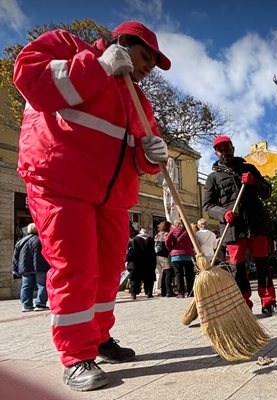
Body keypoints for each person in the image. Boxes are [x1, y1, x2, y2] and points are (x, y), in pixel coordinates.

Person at [13, 21, 171, 391]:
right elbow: (32, 80)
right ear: (123, 42)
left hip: (112, 197)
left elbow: (141, 154)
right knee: (76, 267)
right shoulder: (66, 46)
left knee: (107, 271)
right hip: (60, 182)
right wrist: (98, 66)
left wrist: (151, 155)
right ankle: (75, 356)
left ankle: (99, 339)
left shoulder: (138, 99)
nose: (148, 67)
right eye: (145, 56)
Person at [203, 135, 277, 317]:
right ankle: (244, 307)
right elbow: (208, 206)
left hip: (257, 225)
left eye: (227, 147)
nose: (224, 151)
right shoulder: (213, 178)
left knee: (263, 265)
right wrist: (223, 213)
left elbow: (267, 192)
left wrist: (254, 182)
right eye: (220, 149)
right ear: (216, 153)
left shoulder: (249, 168)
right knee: (238, 270)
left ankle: (269, 303)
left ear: (233, 148)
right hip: (233, 230)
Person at [12, 223, 51, 312]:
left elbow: (15, 257)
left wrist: (15, 269)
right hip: (41, 266)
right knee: (42, 285)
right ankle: (40, 304)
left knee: (26, 286)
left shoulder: (21, 241)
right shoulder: (42, 240)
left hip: (25, 267)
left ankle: (26, 305)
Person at [165, 219, 195, 298]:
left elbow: (167, 240)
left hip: (176, 256)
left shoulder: (173, 230)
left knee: (179, 275)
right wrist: (190, 248)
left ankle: (181, 293)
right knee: (189, 275)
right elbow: (193, 241)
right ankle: (190, 292)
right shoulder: (189, 231)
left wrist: (171, 249)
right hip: (188, 255)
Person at [125, 229, 157, 299]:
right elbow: (153, 252)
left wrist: (128, 260)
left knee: (135, 278)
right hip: (148, 261)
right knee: (149, 278)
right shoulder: (151, 240)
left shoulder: (134, 240)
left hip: (136, 262)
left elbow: (130, 251)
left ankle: (134, 293)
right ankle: (149, 293)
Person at [154, 220, 174, 297]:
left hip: (157, 256)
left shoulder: (157, 235)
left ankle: (163, 291)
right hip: (164, 256)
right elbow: (169, 244)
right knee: (168, 273)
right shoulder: (167, 234)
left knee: (162, 274)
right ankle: (169, 291)